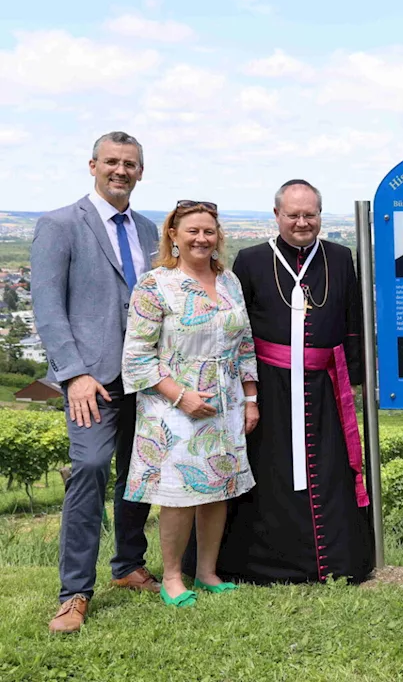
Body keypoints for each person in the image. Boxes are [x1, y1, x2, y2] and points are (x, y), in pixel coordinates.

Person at [33, 131, 161, 633]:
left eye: (130, 163)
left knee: (139, 473)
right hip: (92, 380)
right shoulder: (59, 224)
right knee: (88, 468)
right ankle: (73, 594)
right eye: (112, 161)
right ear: (92, 165)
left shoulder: (151, 230)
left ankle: (128, 566)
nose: (121, 170)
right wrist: (75, 374)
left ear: (140, 172)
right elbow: (48, 308)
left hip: (145, 377)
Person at [217, 179, 374, 584]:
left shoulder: (340, 257)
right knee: (269, 472)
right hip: (268, 387)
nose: (302, 222)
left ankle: (334, 563)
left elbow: (351, 320)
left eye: (310, 214)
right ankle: (260, 565)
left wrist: (354, 378)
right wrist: (244, 390)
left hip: (325, 387)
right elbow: (239, 331)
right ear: (277, 216)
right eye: (293, 215)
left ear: (320, 215)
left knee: (330, 471)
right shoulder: (251, 259)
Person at [121, 200, 258, 607]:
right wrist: (182, 397)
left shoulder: (229, 281)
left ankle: (208, 572)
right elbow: (136, 356)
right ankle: (172, 577)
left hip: (225, 401)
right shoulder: (154, 284)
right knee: (179, 493)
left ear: (218, 238)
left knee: (217, 488)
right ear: (174, 236)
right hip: (173, 405)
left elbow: (245, 343)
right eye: (193, 231)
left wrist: (250, 398)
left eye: (209, 231)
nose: (202, 238)